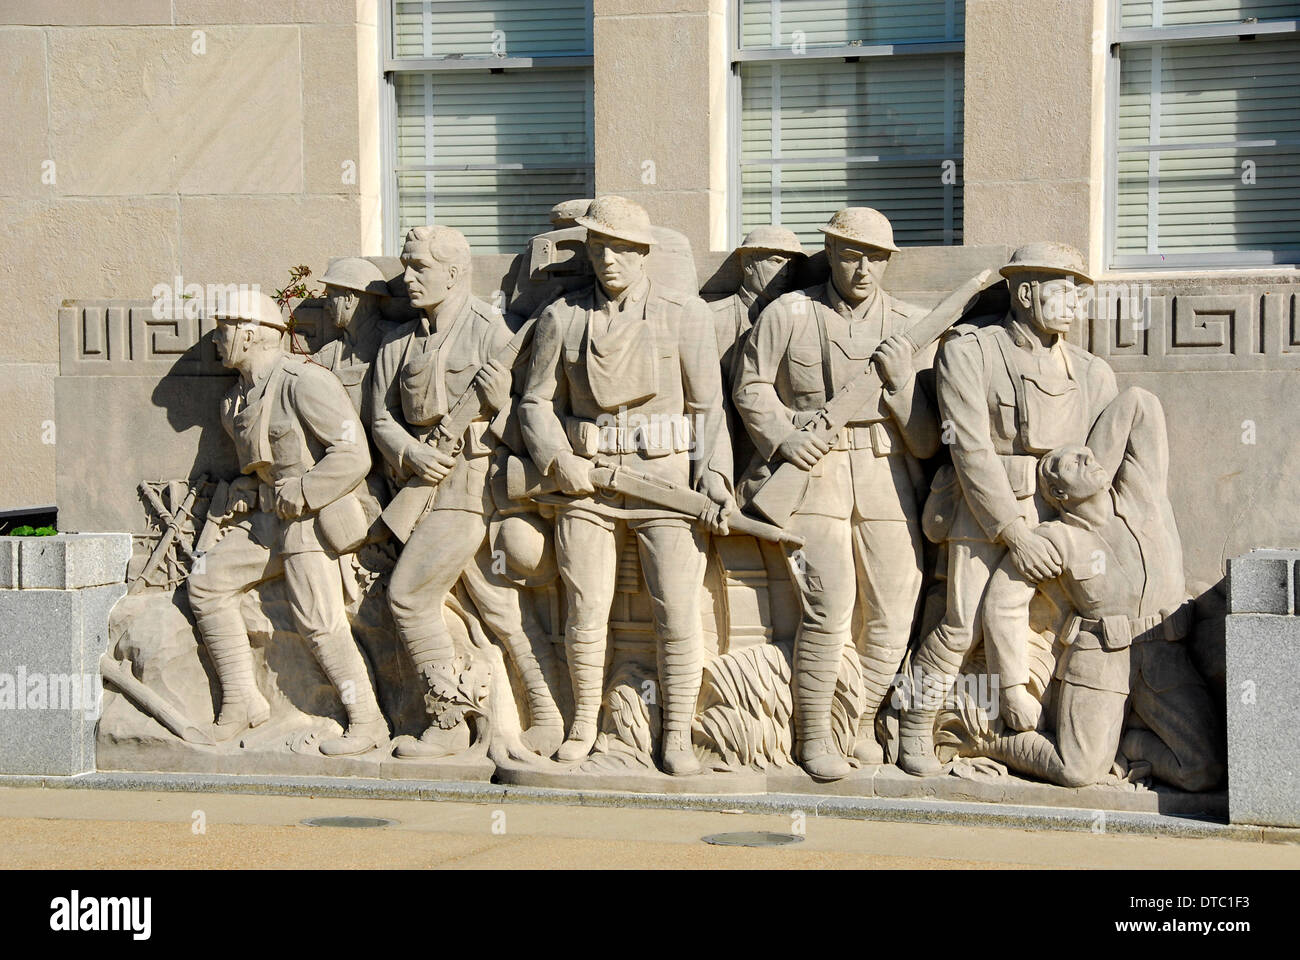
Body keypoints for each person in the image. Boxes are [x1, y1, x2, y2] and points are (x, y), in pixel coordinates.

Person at [518, 195, 734, 775]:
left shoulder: (683, 314)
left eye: (619, 248)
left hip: (664, 480)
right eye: (598, 248)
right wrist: (558, 459)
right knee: (586, 608)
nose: (607, 259)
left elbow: (707, 406)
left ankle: (678, 733)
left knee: (679, 611)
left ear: (642, 253)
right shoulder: (561, 318)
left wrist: (712, 477)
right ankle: (585, 719)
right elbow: (535, 402)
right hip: (588, 484)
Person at [733, 207, 940, 780]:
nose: (863, 268)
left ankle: (862, 717)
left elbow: (925, 438)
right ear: (830, 253)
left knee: (897, 607)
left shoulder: (910, 325)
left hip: (885, 471)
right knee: (829, 607)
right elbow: (749, 386)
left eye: (875, 257)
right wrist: (781, 439)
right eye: (851, 254)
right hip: (812, 472)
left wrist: (899, 386)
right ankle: (816, 734)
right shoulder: (789, 313)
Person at [899, 242, 1117, 776]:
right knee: (961, 624)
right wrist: (1013, 529)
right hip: (982, 510)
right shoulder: (969, 350)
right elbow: (968, 447)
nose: (1073, 304)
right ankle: (912, 721)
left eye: (1077, 293)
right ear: (1025, 292)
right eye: (1061, 291)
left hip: (1062, 518)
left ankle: (1039, 728)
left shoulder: (1092, 373)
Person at [963, 388, 1223, 791]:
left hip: (1164, 654)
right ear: (1059, 495)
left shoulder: (1143, 497)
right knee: (1077, 772)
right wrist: (1012, 688)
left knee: (1202, 771)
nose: (1085, 458)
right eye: (1069, 463)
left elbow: (1140, 403)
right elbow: (1002, 603)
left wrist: (1089, 457)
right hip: (1099, 661)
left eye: (1087, 455)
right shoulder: (1055, 538)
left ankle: (1127, 745)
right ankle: (990, 740)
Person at [370, 226, 563, 758]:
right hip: (420, 483)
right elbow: (381, 416)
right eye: (405, 266)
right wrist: (412, 454)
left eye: (419, 268)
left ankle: (448, 722)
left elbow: (530, 415)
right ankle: (546, 712)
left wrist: (498, 408)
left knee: (409, 596)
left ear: (454, 273)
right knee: (499, 608)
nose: (406, 278)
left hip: (472, 484)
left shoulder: (490, 332)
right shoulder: (398, 342)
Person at [187, 289, 388, 755]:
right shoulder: (234, 401)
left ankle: (369, 721)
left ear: (251, 331)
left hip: (310, 521)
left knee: (319, 623)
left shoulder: (303, 381)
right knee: (205, 584)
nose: (217, 341)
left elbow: (353, 453)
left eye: (224, 330)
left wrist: (302, 491)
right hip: (267, 519)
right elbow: (261, 469)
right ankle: (241, 701)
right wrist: (245, 493)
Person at [710, 225, 804, 480]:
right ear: (748, 263)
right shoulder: (712, 319)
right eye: (775, 261)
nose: (785, 271)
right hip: (726, 449)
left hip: (781, 454)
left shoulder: (802, 321)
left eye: (791, 263)